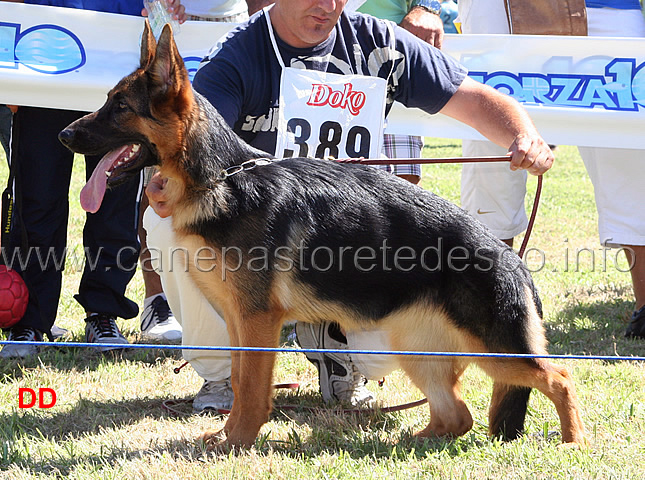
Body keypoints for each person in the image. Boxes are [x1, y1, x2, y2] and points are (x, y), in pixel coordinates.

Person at [143, 0, 554, 411]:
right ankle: (222, 377)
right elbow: (192, 138)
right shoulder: (239, 53)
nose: (327, 6)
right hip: (260, 247)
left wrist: (524, 136)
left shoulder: (380, 42)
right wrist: (169, 186)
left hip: (354, 244)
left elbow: (476, 100)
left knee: (383, 348)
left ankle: (342, 356)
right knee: (169, 227)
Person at [0, 0, 187, 359]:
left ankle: (103, 312)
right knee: (36, 198)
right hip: (42, 64)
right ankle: (30, 320)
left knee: (116, 202)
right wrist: (10, 58)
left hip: (117, 63)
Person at [456, 0, 645, 340]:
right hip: (494, 7)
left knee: (629, 140)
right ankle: (488, 304)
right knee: (489, 140)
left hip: (607, 7)